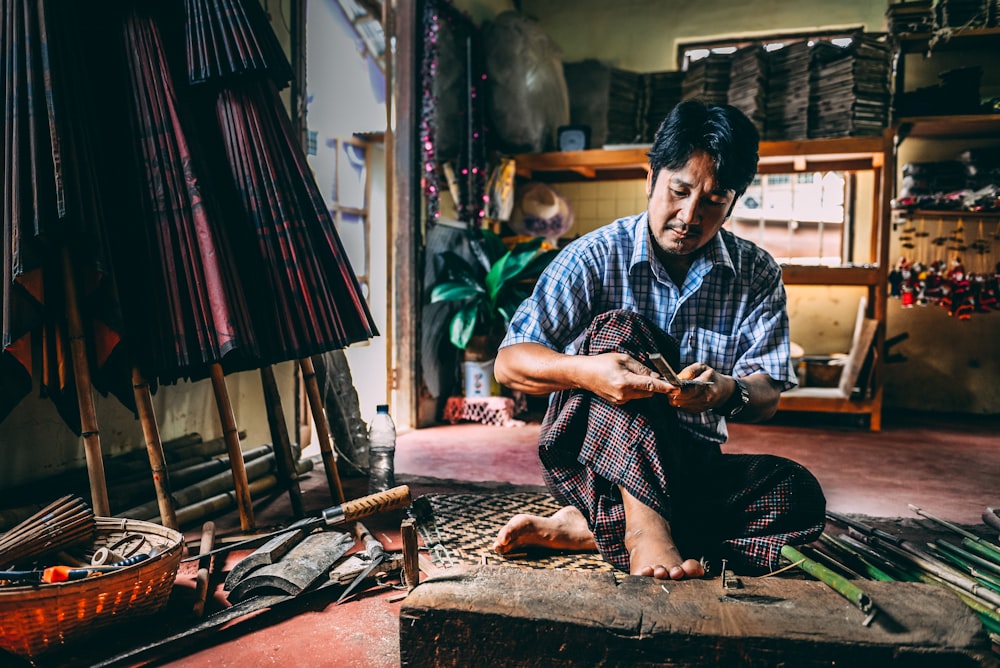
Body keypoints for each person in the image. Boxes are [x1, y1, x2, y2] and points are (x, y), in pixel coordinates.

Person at [491, 99, 826, 581]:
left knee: (799, 495)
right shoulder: (592, 256)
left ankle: (593, 528)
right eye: (680, 190)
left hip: (689, 468)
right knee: (622, 331)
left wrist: (725, 390)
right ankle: (643, 532)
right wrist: (587, 372)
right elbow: (509, 363)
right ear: (651, 179)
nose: (690, 215)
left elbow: (767, 396)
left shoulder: (756, 272)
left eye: (714, 200)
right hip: (594, 466)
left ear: (732, 201)